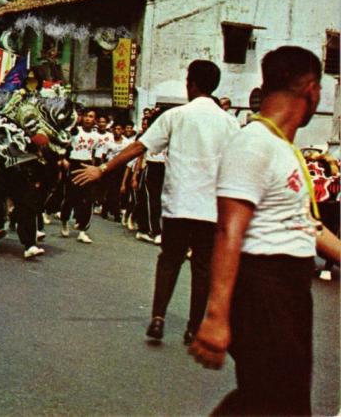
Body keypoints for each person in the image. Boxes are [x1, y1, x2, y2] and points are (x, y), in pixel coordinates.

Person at [189, 46, 341, 416]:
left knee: (270, 401)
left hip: (289, 291)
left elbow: (304, 223)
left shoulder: (282, 149)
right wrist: (215, 316)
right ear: (312, 91)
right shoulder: (253, 144)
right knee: (276, 402)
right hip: (262, 289)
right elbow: (228, 230)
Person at [74, 60, 239, 344]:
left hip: (178, 205)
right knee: (202, 268)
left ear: (193, 84)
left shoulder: (176, 116)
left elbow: (139, 146)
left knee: (169, 262)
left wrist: (102, 170)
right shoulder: (230, 123)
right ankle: (193, 327)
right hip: (211, 210)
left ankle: (159, 318)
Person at [60, 109, 99, 243]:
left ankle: (83, 230)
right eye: (86, 116)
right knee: (70, 196)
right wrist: (63, 159)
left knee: (88, 199)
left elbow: (95, 155)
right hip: (73, 164)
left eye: (91, 117)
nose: (88, 119)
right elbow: (63, 145)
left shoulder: (96, 137)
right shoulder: (74, 131)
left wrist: (96, 169)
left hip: (87, 165)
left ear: (95, 120)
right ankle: (64, 220)